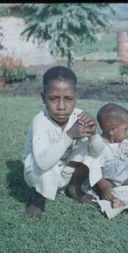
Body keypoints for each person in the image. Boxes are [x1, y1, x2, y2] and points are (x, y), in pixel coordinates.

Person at [22, 66, 104, 219]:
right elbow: (42, 163)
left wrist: (93, 134)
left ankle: (74, 187)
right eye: (53, 99)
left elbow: (97, 153)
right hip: (39, 174)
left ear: (76, 97)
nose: (61, 106)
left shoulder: (79, 116)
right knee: (43, 164)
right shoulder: (40, 122)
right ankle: (38, 200)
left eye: (68, 98)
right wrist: (69, 135)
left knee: (92, 148)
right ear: (43, 97)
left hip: (66, 171)